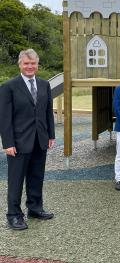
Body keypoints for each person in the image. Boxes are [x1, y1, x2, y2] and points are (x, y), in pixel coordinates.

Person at [0, 49, 55, 230]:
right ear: (20, 65)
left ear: (37, 65)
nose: (30, 67)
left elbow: (48, 112)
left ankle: (35, 208)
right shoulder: (9, 87)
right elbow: (5, 118)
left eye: (33, 64)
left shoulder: (44, 84)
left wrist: (51, 135)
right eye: (26, 63)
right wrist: (7, 143)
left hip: (40, 139)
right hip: (18, 142)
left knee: (36, 176)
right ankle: (14, 215)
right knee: (16, 180)